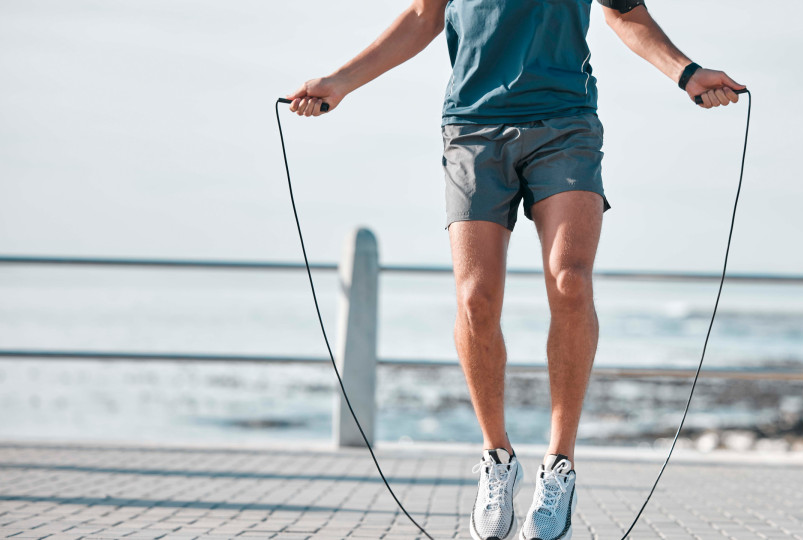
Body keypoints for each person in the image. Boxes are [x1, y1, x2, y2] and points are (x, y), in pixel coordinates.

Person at [287, 1, 744, 538]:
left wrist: (687, 74)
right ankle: (497, 458)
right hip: (472, 128)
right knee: (476, 298)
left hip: (565, 122)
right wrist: (341, 81)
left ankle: (560, 466)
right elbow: (422, 16)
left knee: (569, 280)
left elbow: (625, 12)